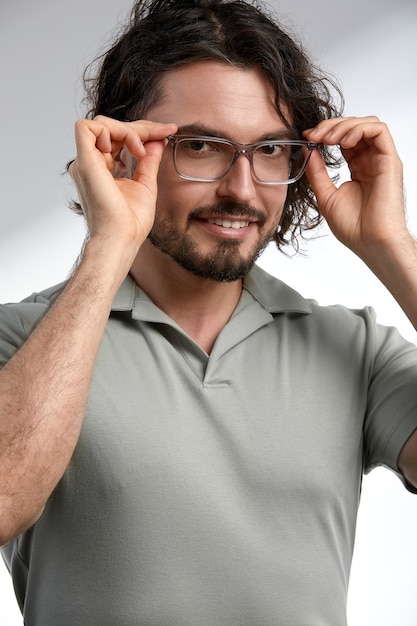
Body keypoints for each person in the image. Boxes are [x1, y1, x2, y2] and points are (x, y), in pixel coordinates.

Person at [1, 0, 416, 623]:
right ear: (121, 149)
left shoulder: (356, 349)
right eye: (200, 145)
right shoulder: (23, 341)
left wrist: (394, 249)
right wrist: (109, 243)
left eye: (271, 150)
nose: (242, 190)